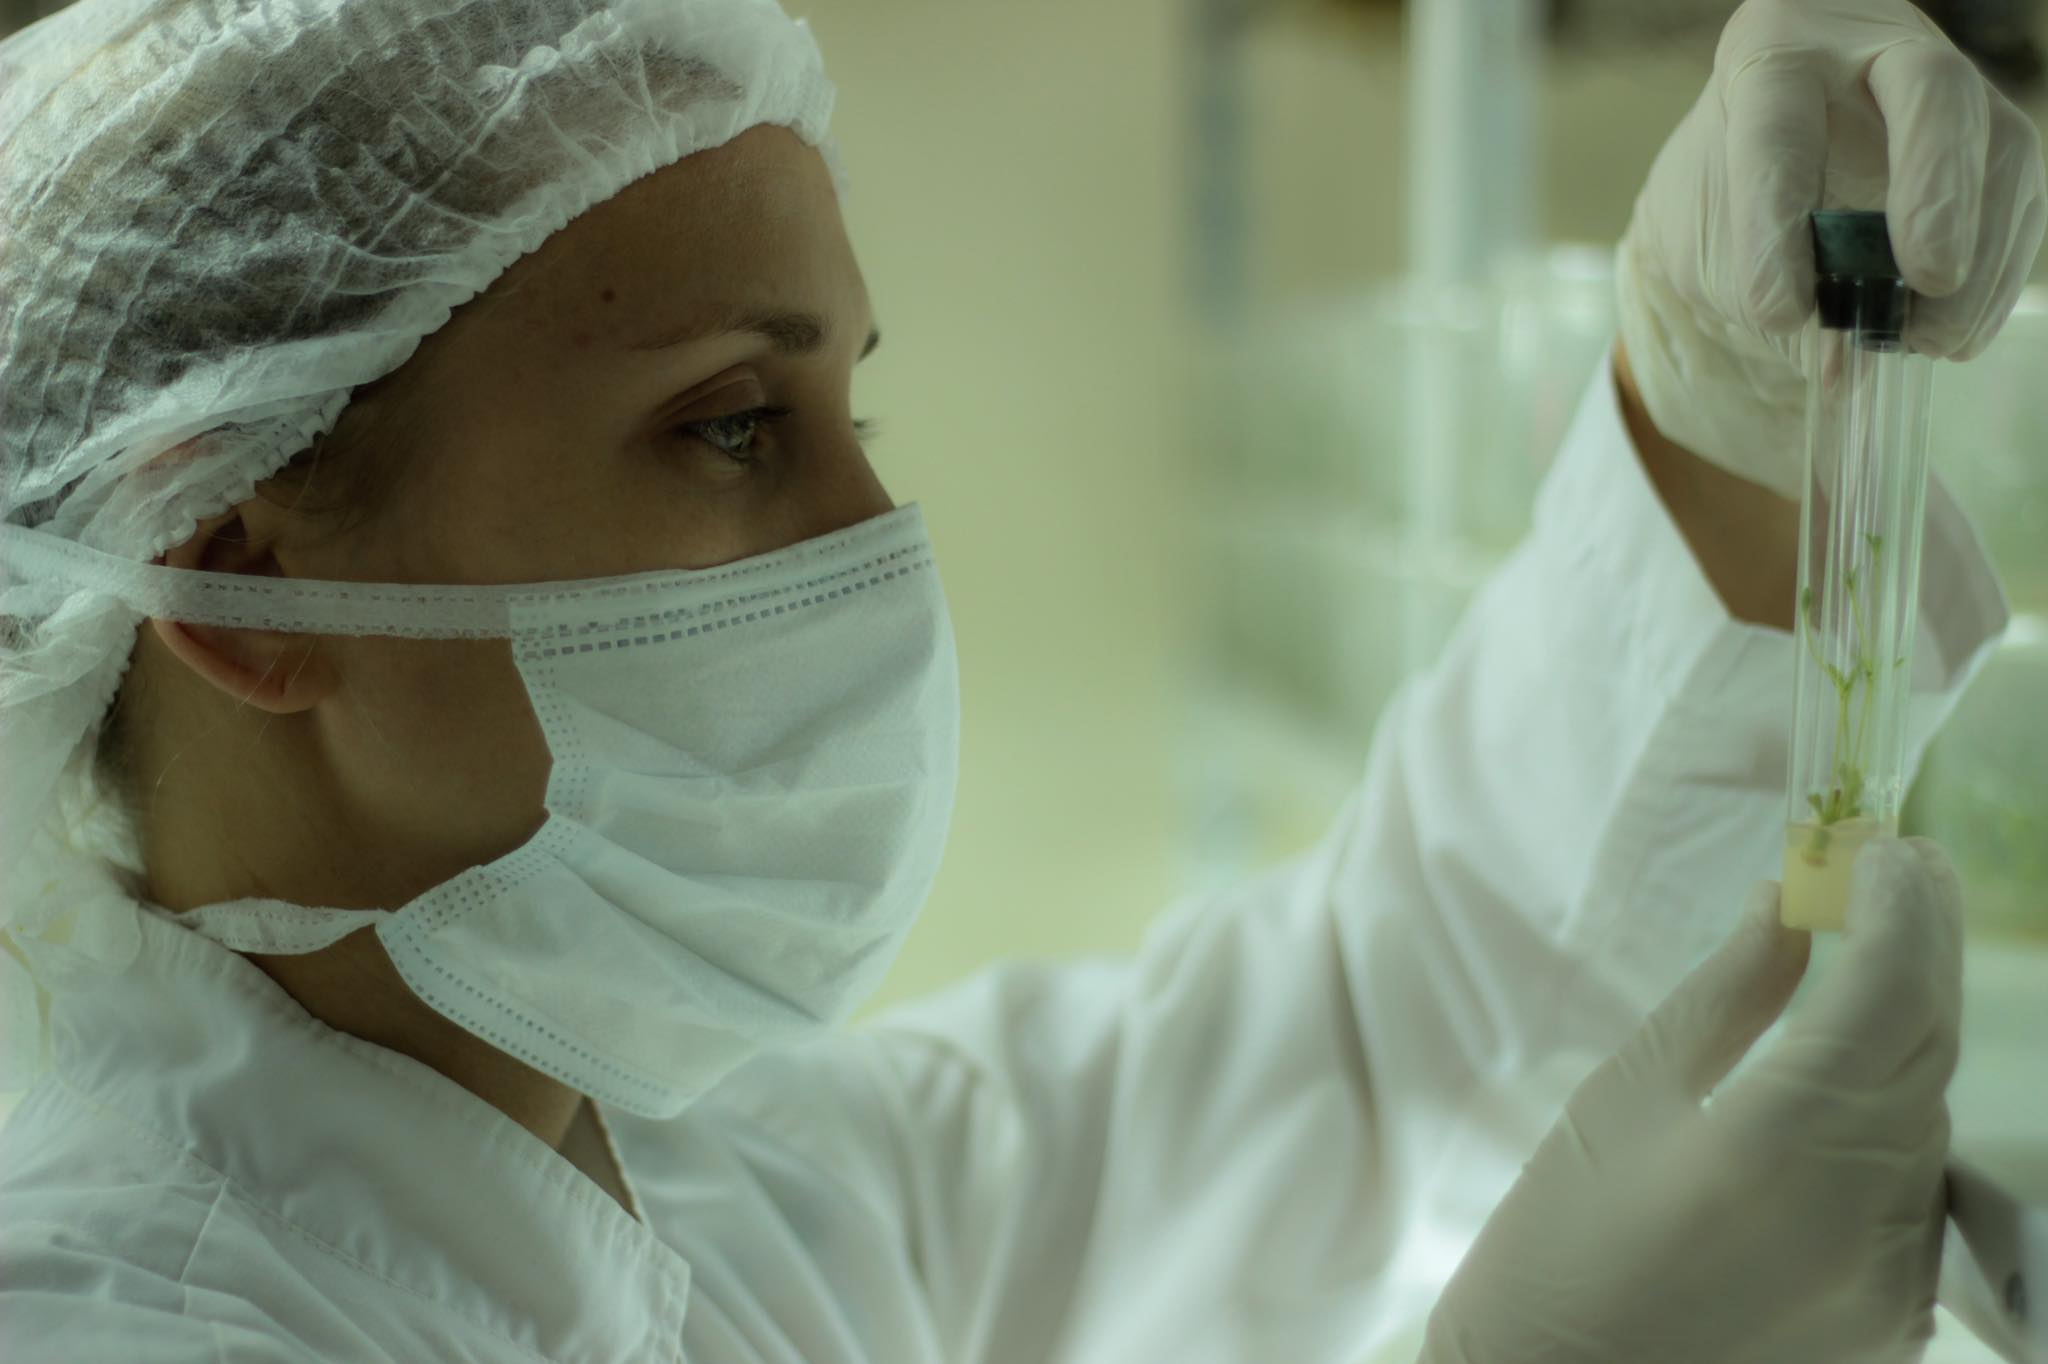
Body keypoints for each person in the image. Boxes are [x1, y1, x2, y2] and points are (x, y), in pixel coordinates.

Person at [0, 0, 2037, 1359]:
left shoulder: (729, 1190)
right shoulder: (107, 1322)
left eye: (850, 412)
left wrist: (1724, 405)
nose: (877, 541)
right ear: (240, 589)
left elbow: (1382, 1023)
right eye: (730, 423)